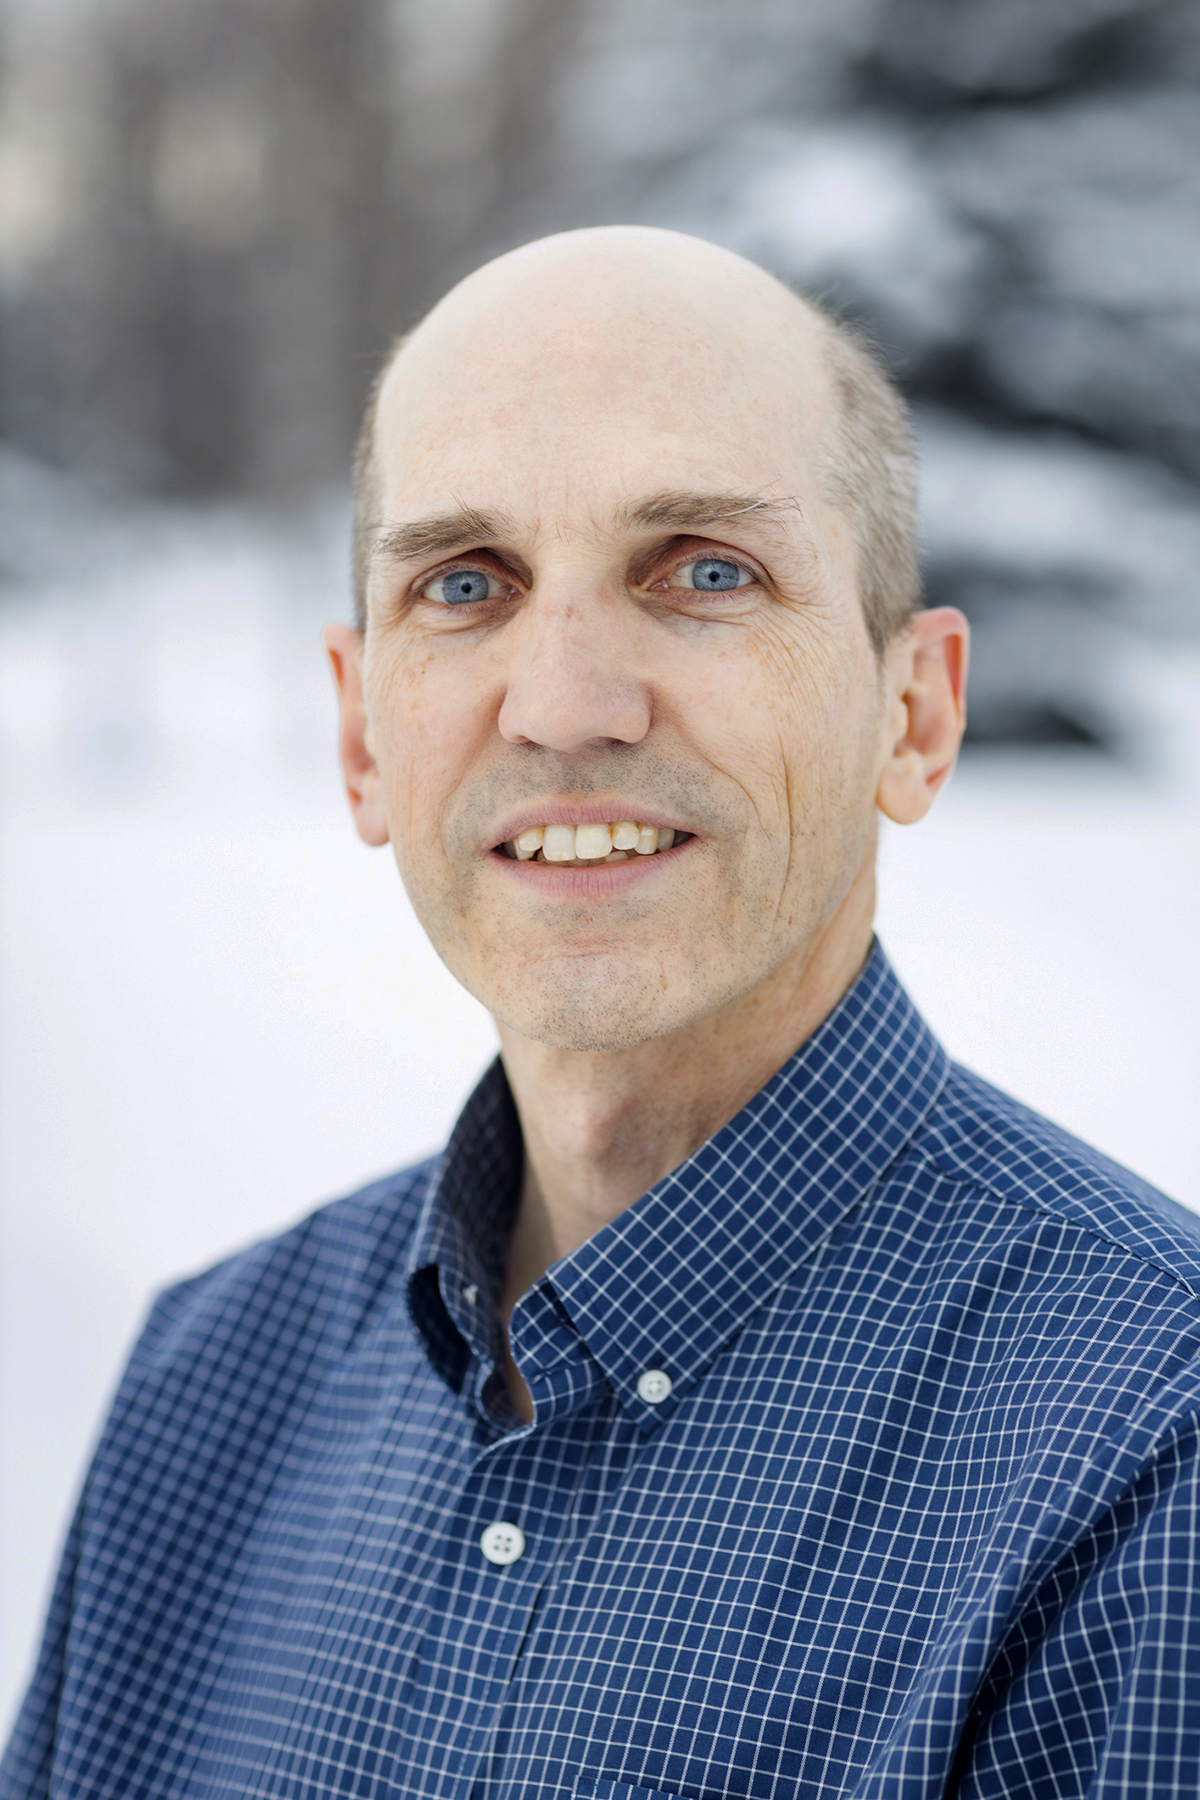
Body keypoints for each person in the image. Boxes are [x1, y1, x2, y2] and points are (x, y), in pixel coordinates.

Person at [4, 226, 1199, 1800]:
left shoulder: (1148, 1456)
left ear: (915, 713)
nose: (566, 702)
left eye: (706, 571)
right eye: (466, 582)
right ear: (363, 736)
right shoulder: (210, 1389)